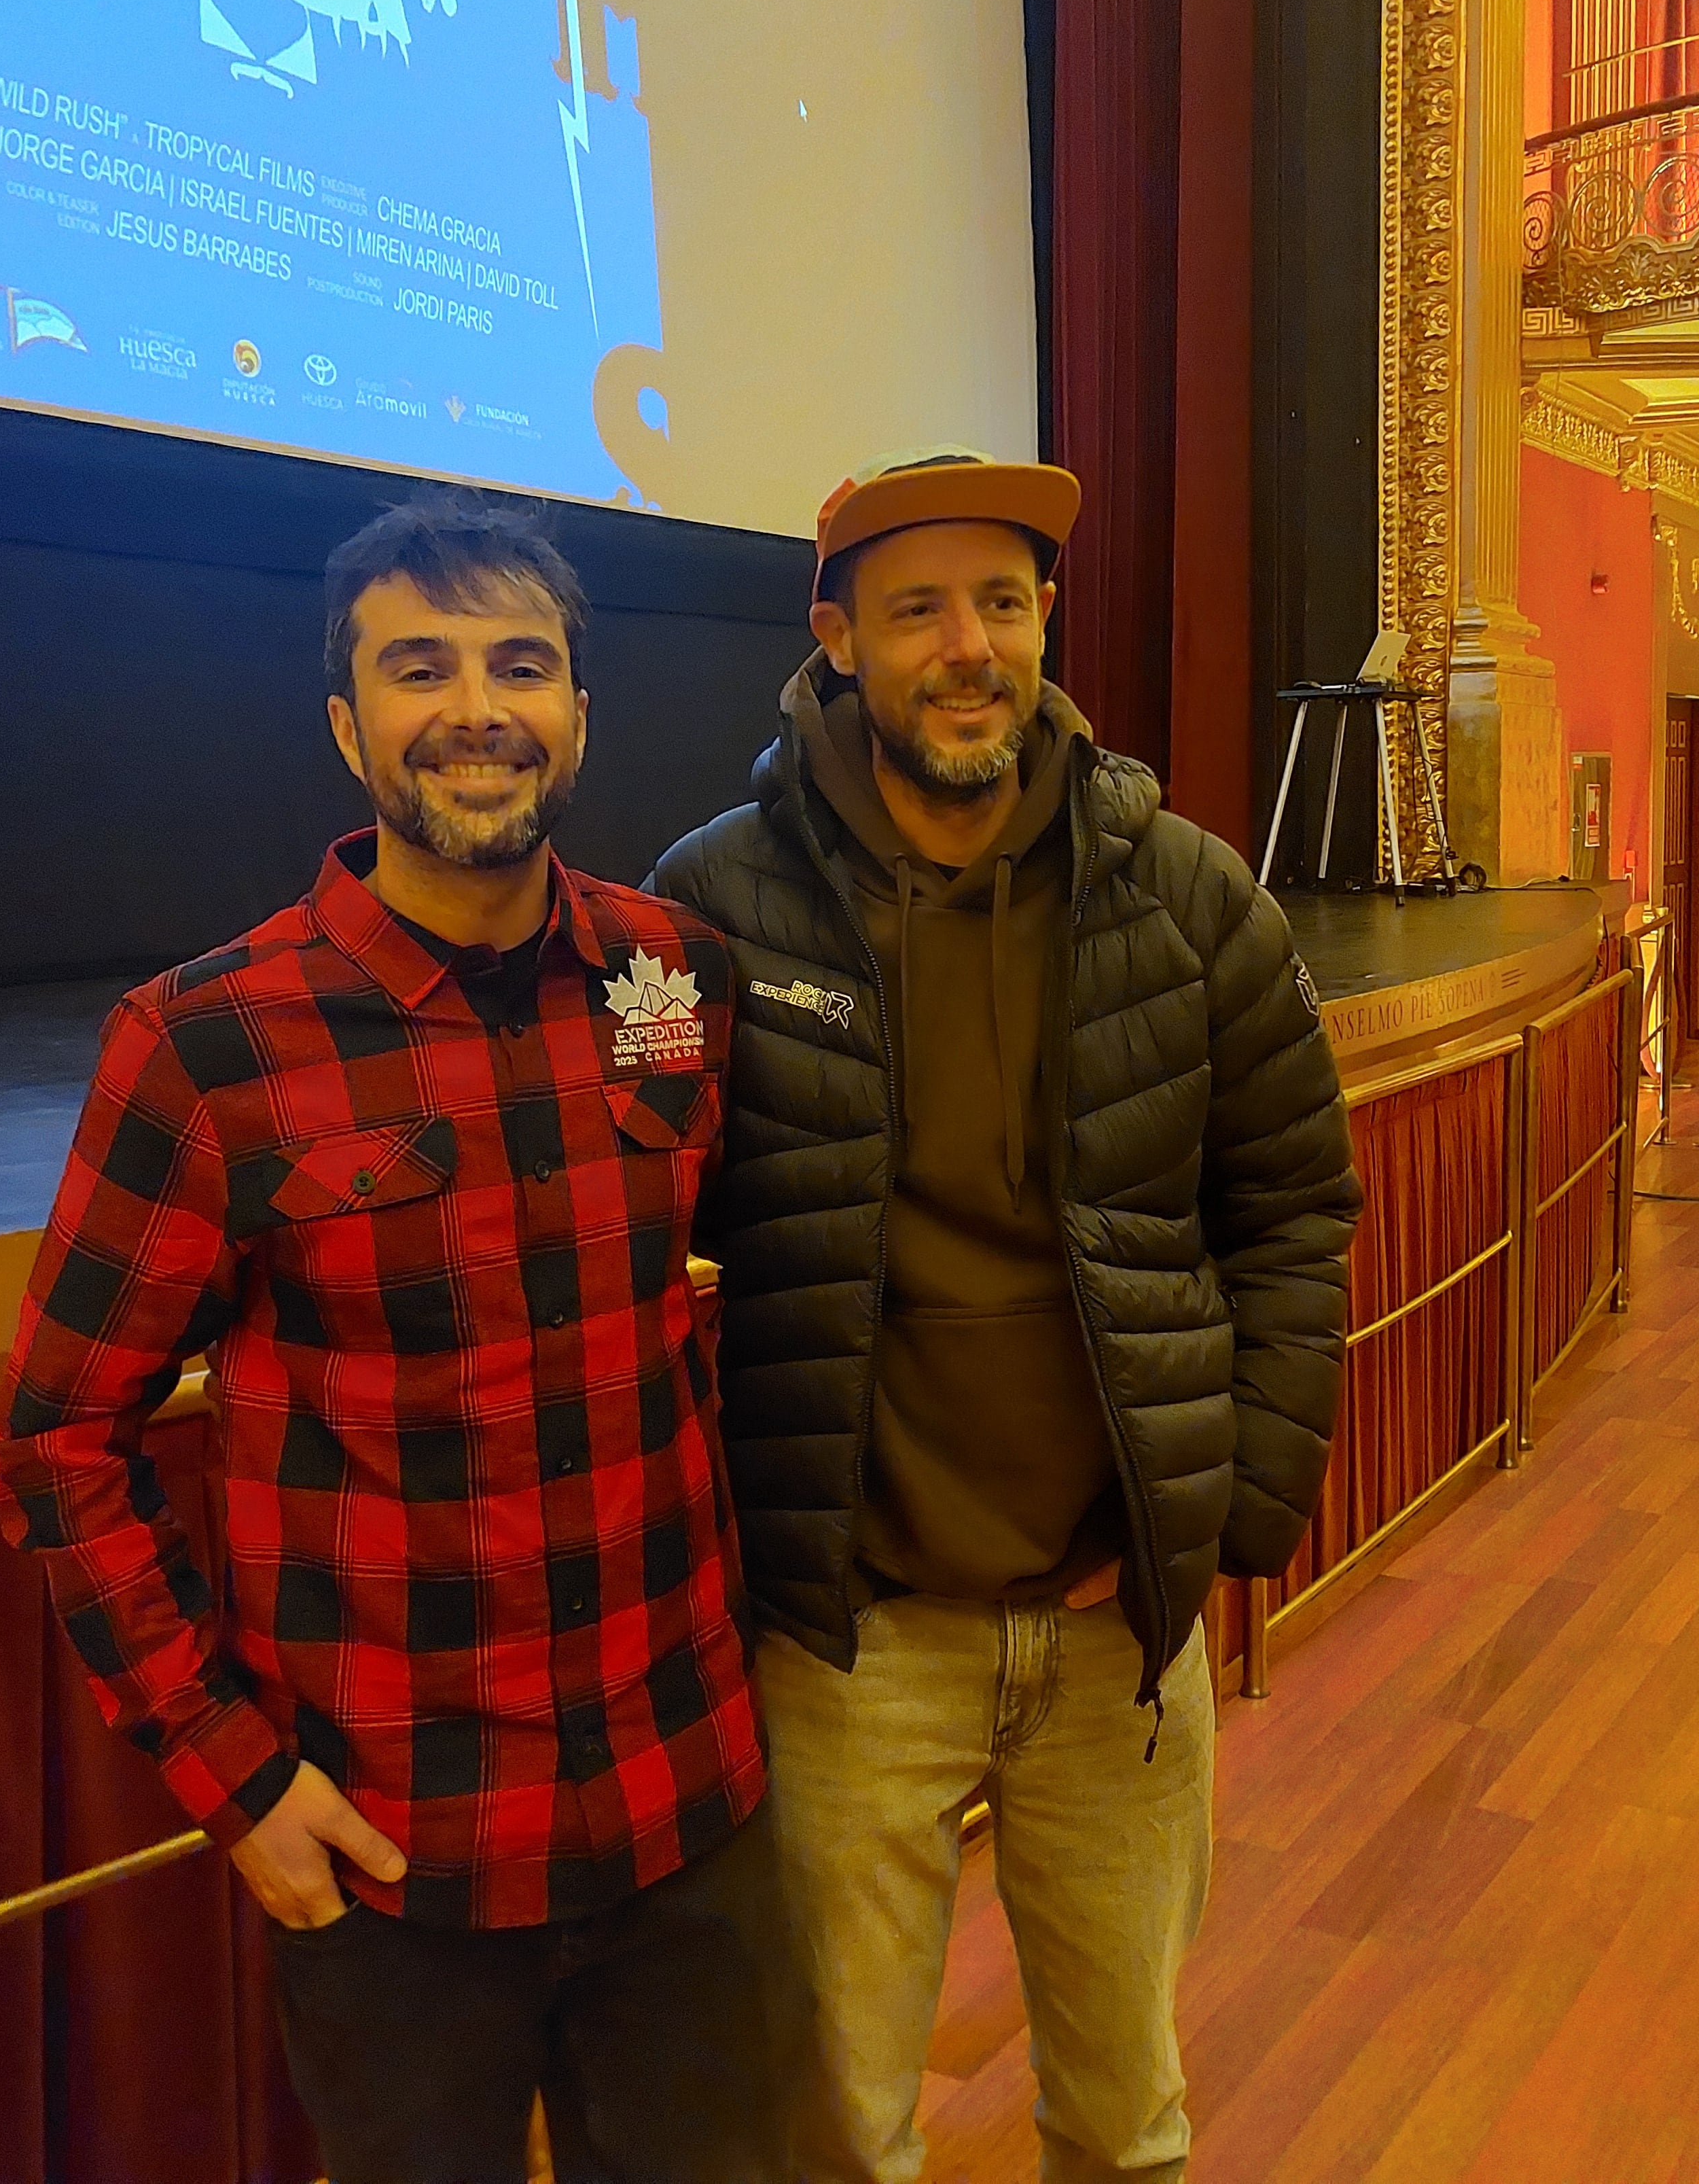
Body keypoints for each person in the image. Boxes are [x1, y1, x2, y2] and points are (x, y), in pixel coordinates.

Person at [0, 491, 795, 2183]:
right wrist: (232, 1780)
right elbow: (60, 1442)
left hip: (688, 1821)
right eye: (419, 669)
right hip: (390, 1864)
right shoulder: (208, 1045)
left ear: (582, 710)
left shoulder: (678, 984)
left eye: (522, 663)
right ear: (348, 728)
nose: (478, 708)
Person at [651, 449, 1359, 2181]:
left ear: (1044, 626)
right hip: (849, 1647)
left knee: (1125, 2126)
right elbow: (631, 1220)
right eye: (914, 609)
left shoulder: (1191, 898)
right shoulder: (708, 908)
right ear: (834, 640)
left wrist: (1226, 1513)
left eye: (1000, 603)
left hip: (1116, 1638)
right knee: (835, 2136)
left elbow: (1290, 1208)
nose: (964, 646)